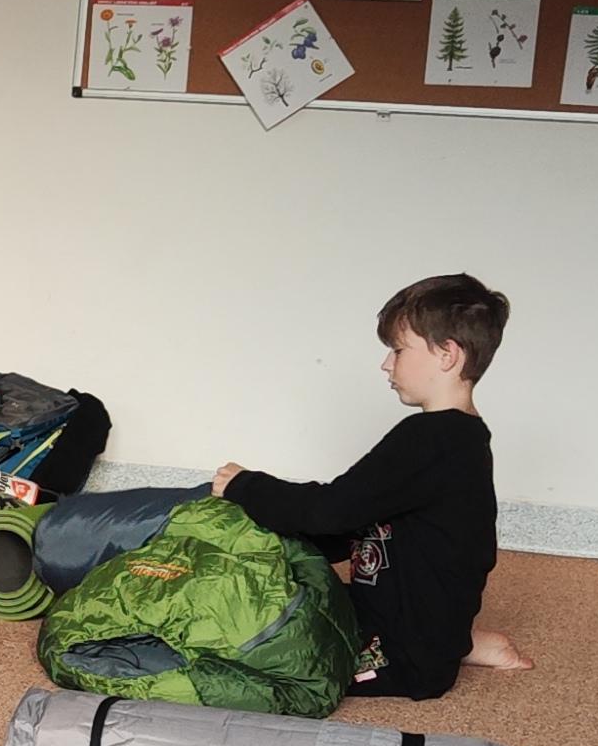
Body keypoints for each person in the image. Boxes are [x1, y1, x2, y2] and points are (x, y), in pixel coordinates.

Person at [211, 272, 527, 700]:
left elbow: (330, 510)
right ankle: (456, 643)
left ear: (447, 354)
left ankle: (449, 649)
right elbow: (356, 519)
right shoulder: (459, 437)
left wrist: (246, 486)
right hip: (414, 625)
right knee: (291, 597)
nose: (386, 364)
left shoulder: (429, 439)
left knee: (254, 653)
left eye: (398, 350)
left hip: (402, 658)